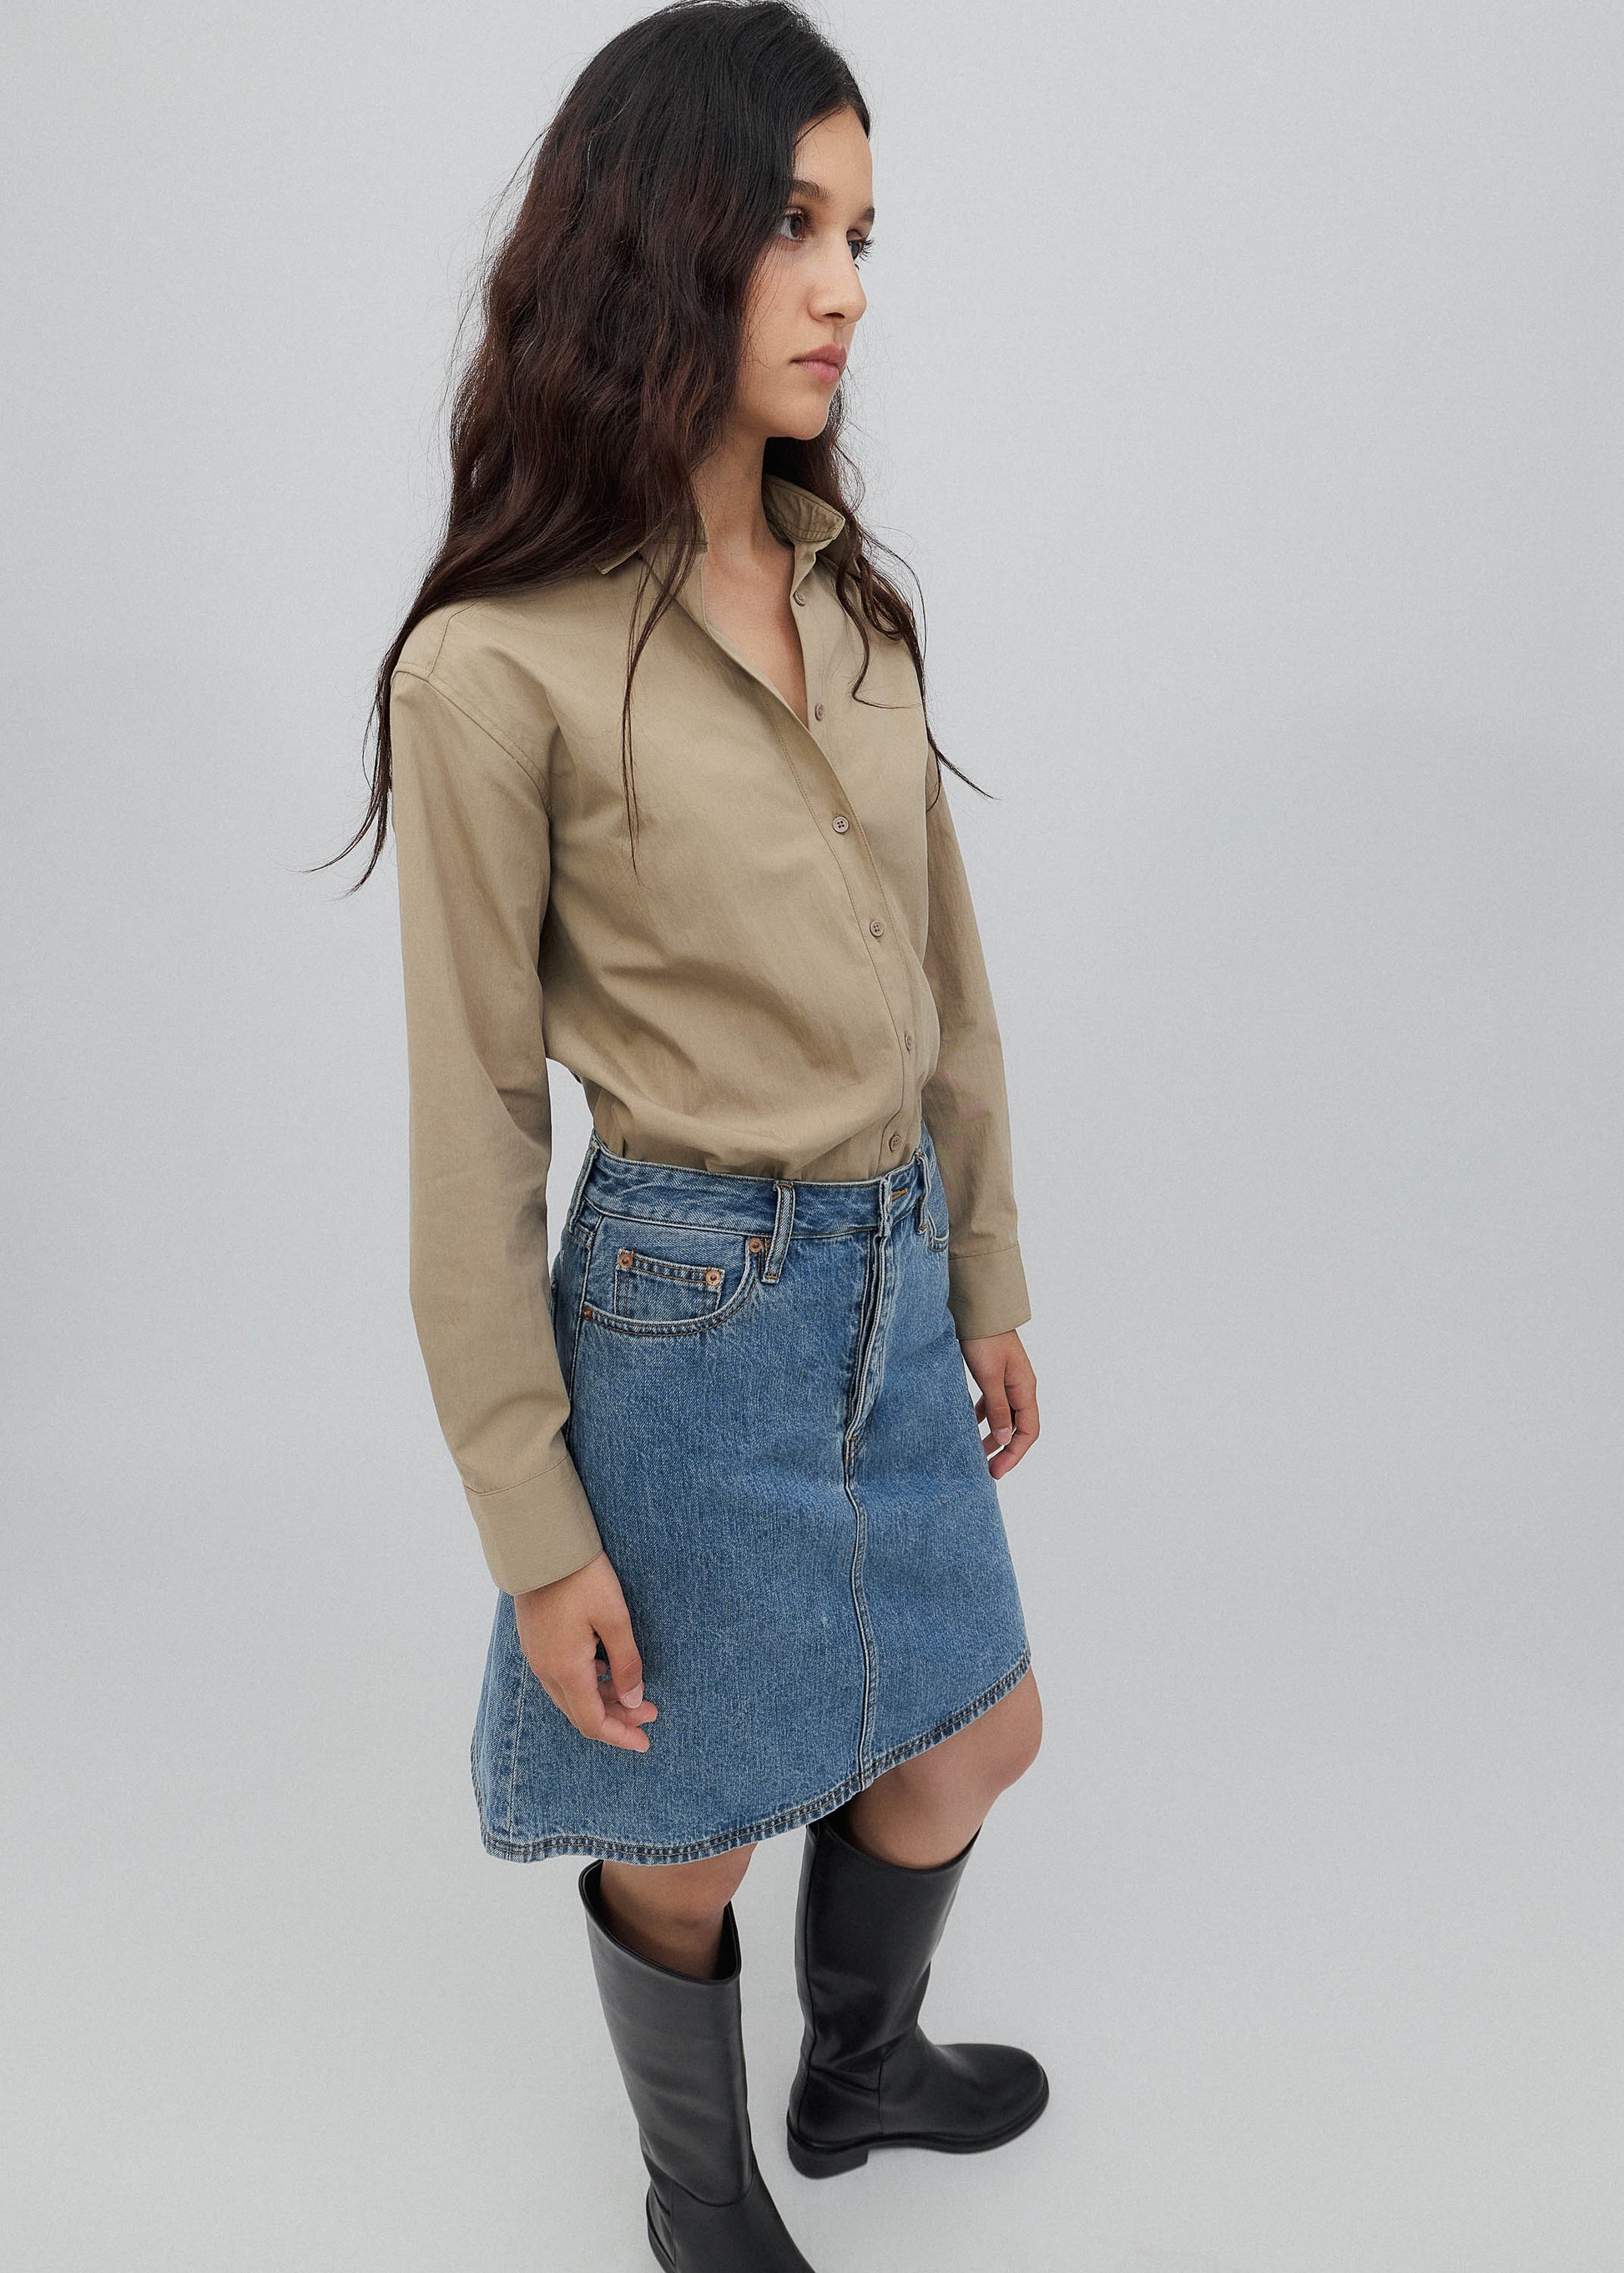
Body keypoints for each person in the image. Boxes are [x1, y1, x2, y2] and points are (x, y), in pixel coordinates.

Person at [337, 6, 1046, 2265]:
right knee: (686, 1820)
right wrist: (533, 1520)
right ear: (658, 244)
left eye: (861, 230)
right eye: (790, 224)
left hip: (884, 1278)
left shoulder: (852, 601)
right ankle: (693, 2184)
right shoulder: (494, 670)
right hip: (682, 1306)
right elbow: (466, 1131)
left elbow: (945, 977)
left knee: (970, 1732)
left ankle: (850, 2069)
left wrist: (988, 1275)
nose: (843, 282)